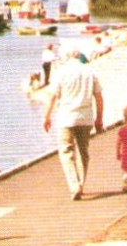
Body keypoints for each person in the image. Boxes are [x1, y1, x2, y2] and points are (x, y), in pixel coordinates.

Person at [43, 46, 105, 200]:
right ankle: (81, 184)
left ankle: (74, 185)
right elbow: (99, 98)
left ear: (67, 57)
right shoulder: (90, 72)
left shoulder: (61, 73)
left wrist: (47, 117)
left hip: (66, 117)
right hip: (85, 117)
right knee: (83, 151)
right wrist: (99, 119)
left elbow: (53, 97)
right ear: (79, 57)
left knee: (66, 152)